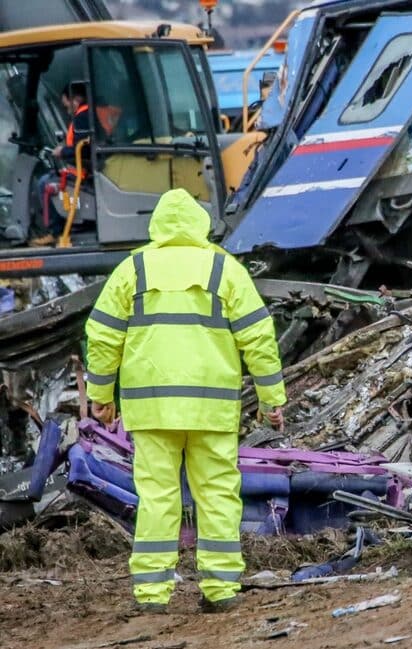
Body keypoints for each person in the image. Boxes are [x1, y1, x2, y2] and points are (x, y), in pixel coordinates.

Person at [85, 188, 287, 614]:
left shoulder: (133, 269)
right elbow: (258, 337)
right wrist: (271, 398)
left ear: (157, 224)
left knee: (157, 497)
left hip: (152, 409)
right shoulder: (224, 268)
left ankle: (152, 595)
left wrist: (100, 396)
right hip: (211, 408)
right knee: (217, 494)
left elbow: (102, 337)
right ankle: (221, 589)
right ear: (201, 224)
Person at [30, 82, 94, 246]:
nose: (66, 109)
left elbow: (84, 149)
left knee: (46, 183)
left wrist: (62, 151)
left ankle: (56, 232)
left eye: (66, 104)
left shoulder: (82, 117)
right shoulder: (91, 113)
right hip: (88, 168)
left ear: (74, 99)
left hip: (84, 172)